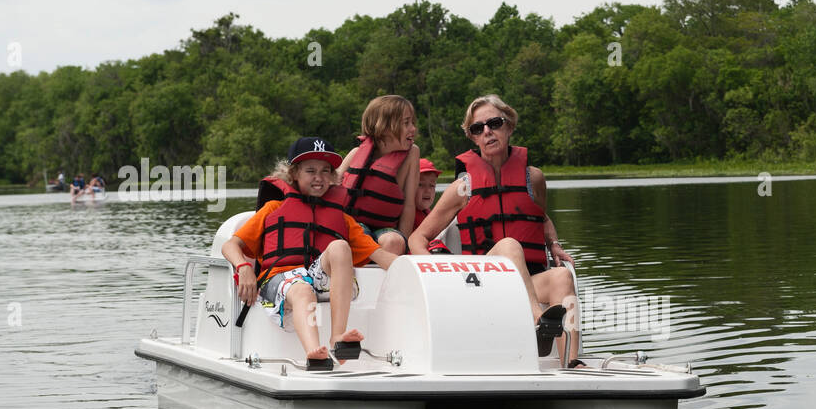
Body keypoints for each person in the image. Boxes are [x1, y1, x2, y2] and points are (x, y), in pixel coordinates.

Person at [407, 95, 584, 365]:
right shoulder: (462, 187)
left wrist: (553, 244)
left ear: (509, 126)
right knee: (510, 245)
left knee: (561, 276)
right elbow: (418, 237)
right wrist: (434, 275)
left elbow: (539, 217)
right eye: (478, 128)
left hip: (528, 283)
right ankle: (538, 319)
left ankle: (571, 363)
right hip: (482, 284)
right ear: (473, 137)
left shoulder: (533, 178)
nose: (487, 131)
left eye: (494, 123)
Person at [222, 137, 397, 370]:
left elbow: (381, 256)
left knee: (340, 247)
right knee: (303, 289)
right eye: (311, 170)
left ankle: (337, 339)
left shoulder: (341, 218)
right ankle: (315, 355)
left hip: (318, 279)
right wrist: (243, 268)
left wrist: (422, 271)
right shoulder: (273, 209)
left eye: (326, 171)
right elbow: (230, 246)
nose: (319, 177)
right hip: (280, 281)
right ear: (293, 173)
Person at [337, 95, 421, 255]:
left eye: (413, 123)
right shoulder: (356, 154)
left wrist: (404, 243)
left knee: (394, 242)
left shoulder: (412, 154)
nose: (413, 129)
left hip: (386, 229)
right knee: (359, 235)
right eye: (406, 123)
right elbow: (332, 188)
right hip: (354, 225)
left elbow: (409, 205)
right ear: (384, 128)